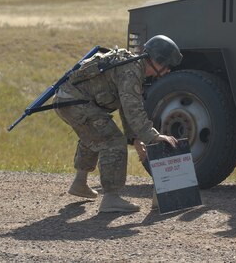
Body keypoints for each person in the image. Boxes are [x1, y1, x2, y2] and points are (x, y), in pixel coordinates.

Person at [53, 35, 182, 212]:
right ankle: (111, 198)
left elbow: (124, 107)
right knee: (112, 141)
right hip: (75, 103)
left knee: (95, 134)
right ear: (155, 60)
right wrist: (153, 136)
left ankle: (80, 183)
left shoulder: (132, 66)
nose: (167, 70)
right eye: (166, 65)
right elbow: (132, 109)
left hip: (70, 100)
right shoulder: (131, 71)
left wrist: (136, 139)